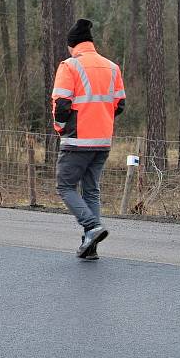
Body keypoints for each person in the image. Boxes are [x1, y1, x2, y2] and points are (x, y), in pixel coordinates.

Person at [51, 18, 125, 260]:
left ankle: (92, 227)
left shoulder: (69, 65)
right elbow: (119, 105)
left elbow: (61, 105)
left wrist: (61, 128)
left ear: (73, 45)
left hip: (77, 140)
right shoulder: (112, 67)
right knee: (91, 190)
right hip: (102, 140)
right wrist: (100, 120)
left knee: (65, 186)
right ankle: (89, 245)